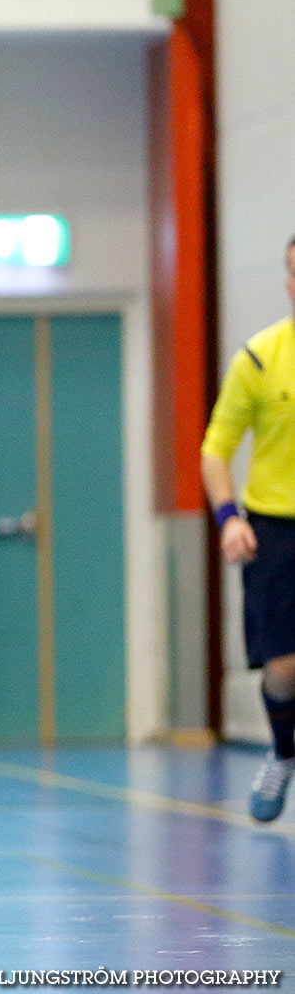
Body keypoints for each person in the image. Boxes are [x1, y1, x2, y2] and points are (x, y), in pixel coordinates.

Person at [200, 232, 295, 823]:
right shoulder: (260, 358)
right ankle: (284, 752)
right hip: (276, 527)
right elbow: (216, 449)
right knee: (286, 669)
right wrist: (229, 518)